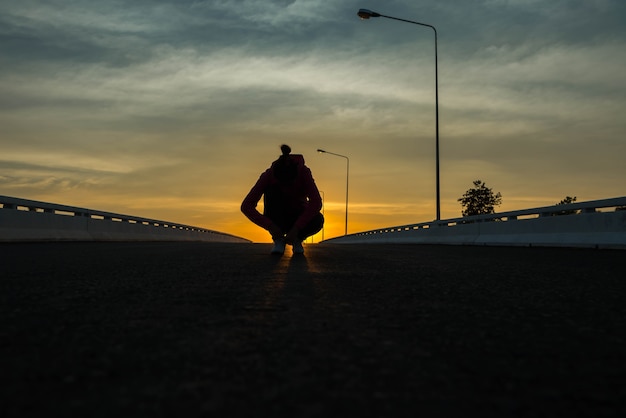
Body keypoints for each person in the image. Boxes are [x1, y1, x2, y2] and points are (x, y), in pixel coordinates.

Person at [241, 144, 324, 255]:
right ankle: (278, 240)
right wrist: (270, 226)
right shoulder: (268, 175)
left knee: (318, 220)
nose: (286, 188)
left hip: (298, 214)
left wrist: (296, 229)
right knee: (272, 192)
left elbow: (316, 202)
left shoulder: (304, 172)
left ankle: (298, 239)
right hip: (277, 216)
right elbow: (246, 206)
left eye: (289, 184)